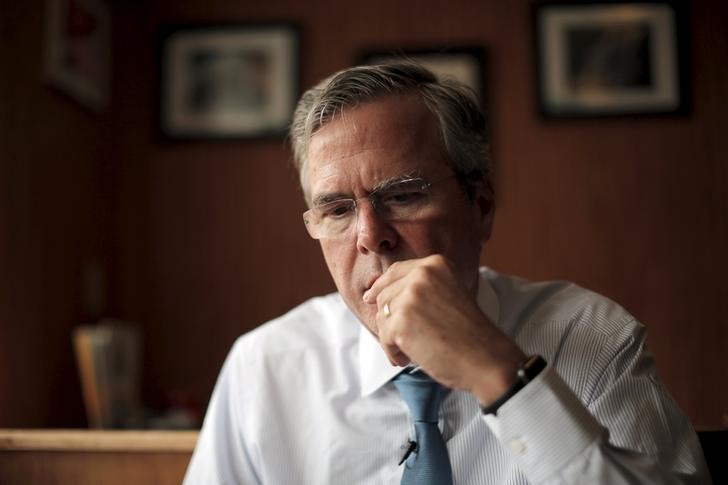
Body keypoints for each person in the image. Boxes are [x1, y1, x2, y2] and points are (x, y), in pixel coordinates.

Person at [183, 63, 709, 484]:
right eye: (338, 210)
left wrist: (501, 374)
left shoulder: (593, 337)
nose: (370, 236)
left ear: (480, 206)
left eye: (404, 195)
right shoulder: (265, 366)